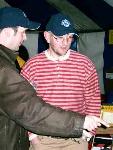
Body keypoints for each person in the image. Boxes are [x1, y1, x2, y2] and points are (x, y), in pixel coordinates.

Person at [0, 7, 109, 150]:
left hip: (76, 139)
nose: (65, 43)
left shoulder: (85, 64)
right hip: (43, 140)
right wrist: (33, 139)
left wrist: (88, 133)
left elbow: (93, 100)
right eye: (59, 37)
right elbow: (27, 109)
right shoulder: (32, 66)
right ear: (47, 36)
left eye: (69, 37)